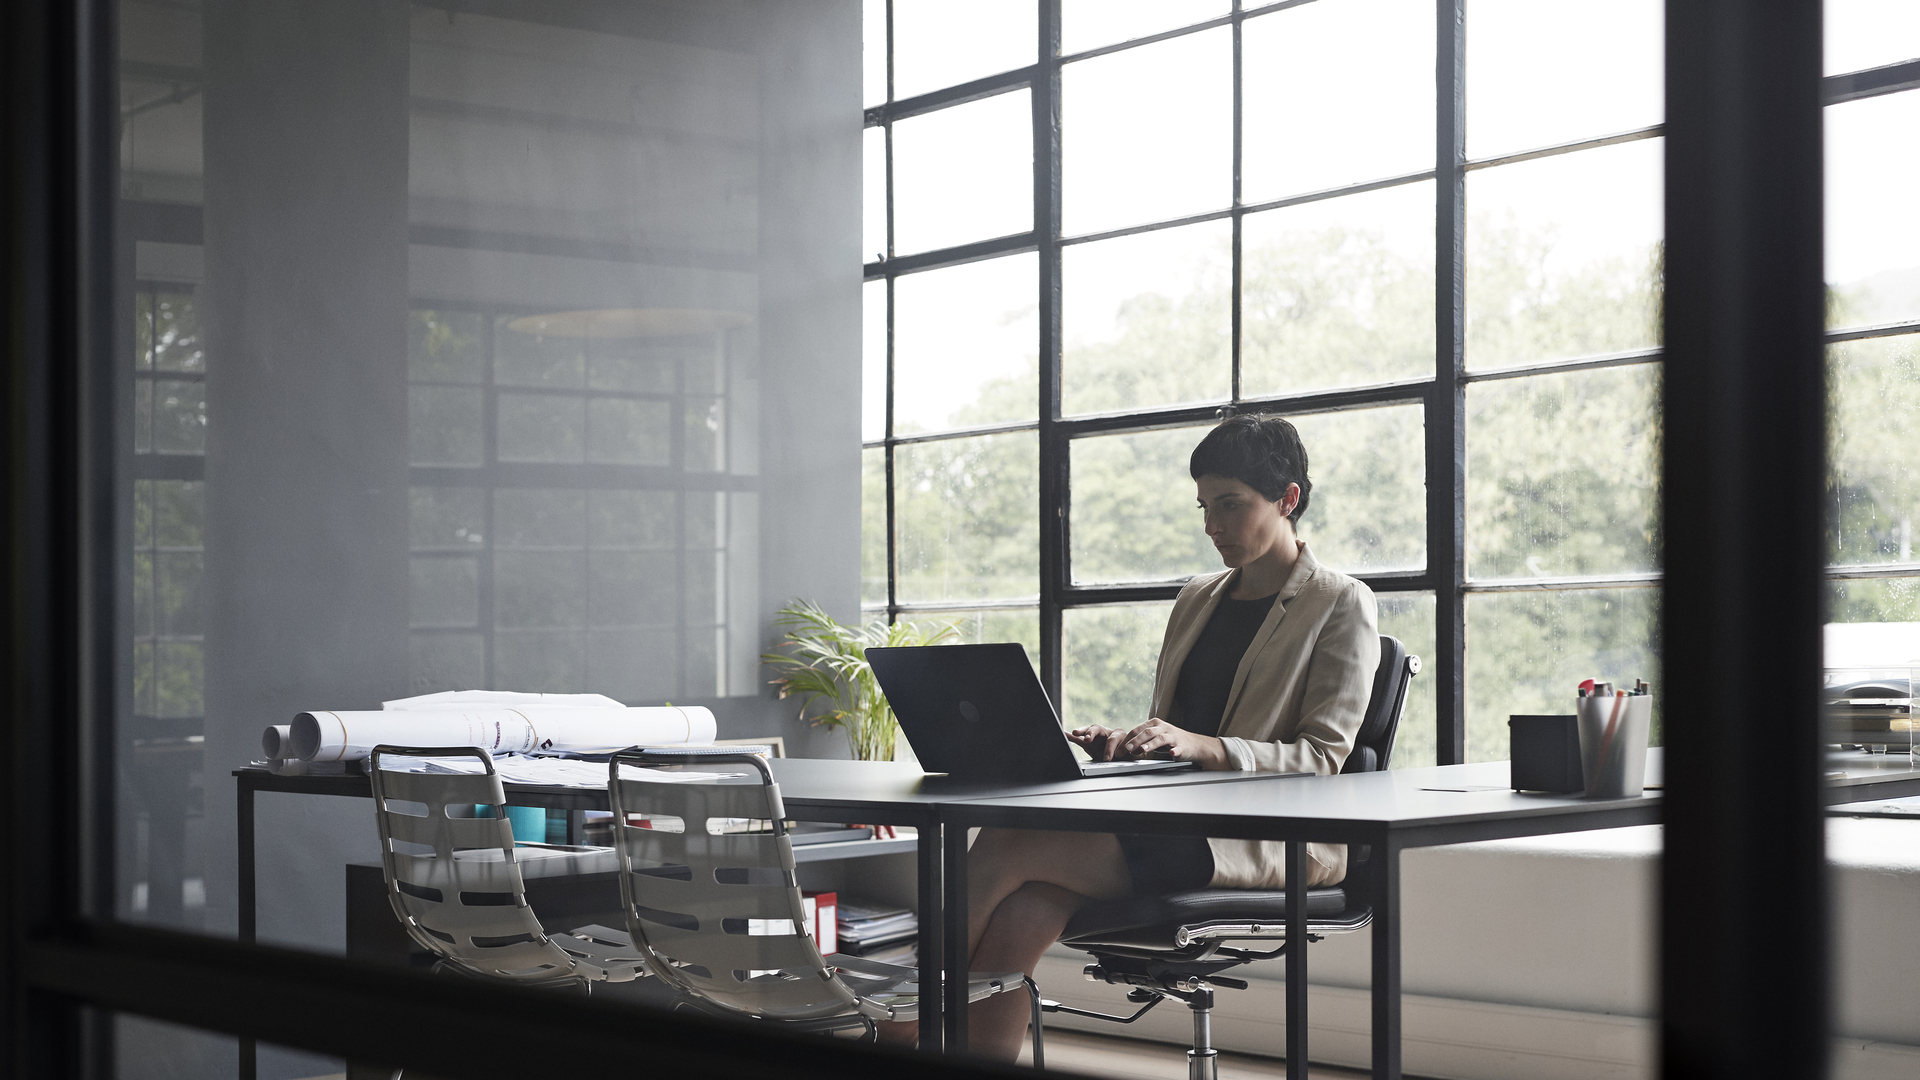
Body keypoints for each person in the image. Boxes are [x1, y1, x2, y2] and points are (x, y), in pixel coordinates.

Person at [885, 413, 1380, 1061]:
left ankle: (892, 1032)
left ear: (1288, 499)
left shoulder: (1340, 603)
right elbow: (1181, 728)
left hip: (1268, 833)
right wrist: (1129, 745)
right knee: (1026, 912)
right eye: (1204, 507)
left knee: (1007, 840)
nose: (1213, 526)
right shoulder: (1198, 599)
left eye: (1231, 505)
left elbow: (1322, 759)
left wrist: (1202, 747)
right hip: (1174, 817)